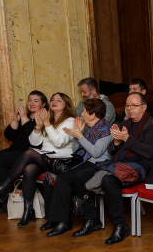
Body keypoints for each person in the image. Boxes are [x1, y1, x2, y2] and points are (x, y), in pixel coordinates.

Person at [0, 92, 76, 227]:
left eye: (59, 100)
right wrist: (38, 127)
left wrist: (46, 123)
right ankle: (28, 210)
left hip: (60, 160)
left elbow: (59, 142)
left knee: (29, 153)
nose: (54, 101)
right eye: (53, 99)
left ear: (66, 104)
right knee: (29, 169)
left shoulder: (70, 121)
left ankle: (4, 186)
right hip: (46, 157)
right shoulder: (48, 118)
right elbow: (35, 142)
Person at [80, 92, 153, 244]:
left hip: (143, 168)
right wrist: (117, 142)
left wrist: (126, 138)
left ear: (144, 107)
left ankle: (119, 225)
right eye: (127, 105)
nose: (129, 109)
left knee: (108, 180)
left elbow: (149, 152)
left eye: (134, 105)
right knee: (83, 175)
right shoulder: (124, 124)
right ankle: (93, 220)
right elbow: (112, 151)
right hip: (120, 165)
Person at [40, 98, 113, 237]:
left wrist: (79, 135)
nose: (81, 114)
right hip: (85, 162)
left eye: (84, 111)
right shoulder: (90, 128)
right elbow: (76, 150)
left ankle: (70, 221)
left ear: (93, 115)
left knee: (65, 179)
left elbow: (96, 152)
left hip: (98, 165)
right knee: (53, 176)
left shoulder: (105, 129)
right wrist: (77, 134)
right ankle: (58, 220)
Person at [0, 91, 48, 212]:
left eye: (36, 101)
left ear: (43, 104)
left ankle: (5, 199)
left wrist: (24, 118)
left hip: (28, 152)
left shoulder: (43, 118)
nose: (32, 103)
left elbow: (33, 140)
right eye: (30, 100)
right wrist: (15, 121)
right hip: (15, 149)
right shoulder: (24, 115)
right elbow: (9, 135)